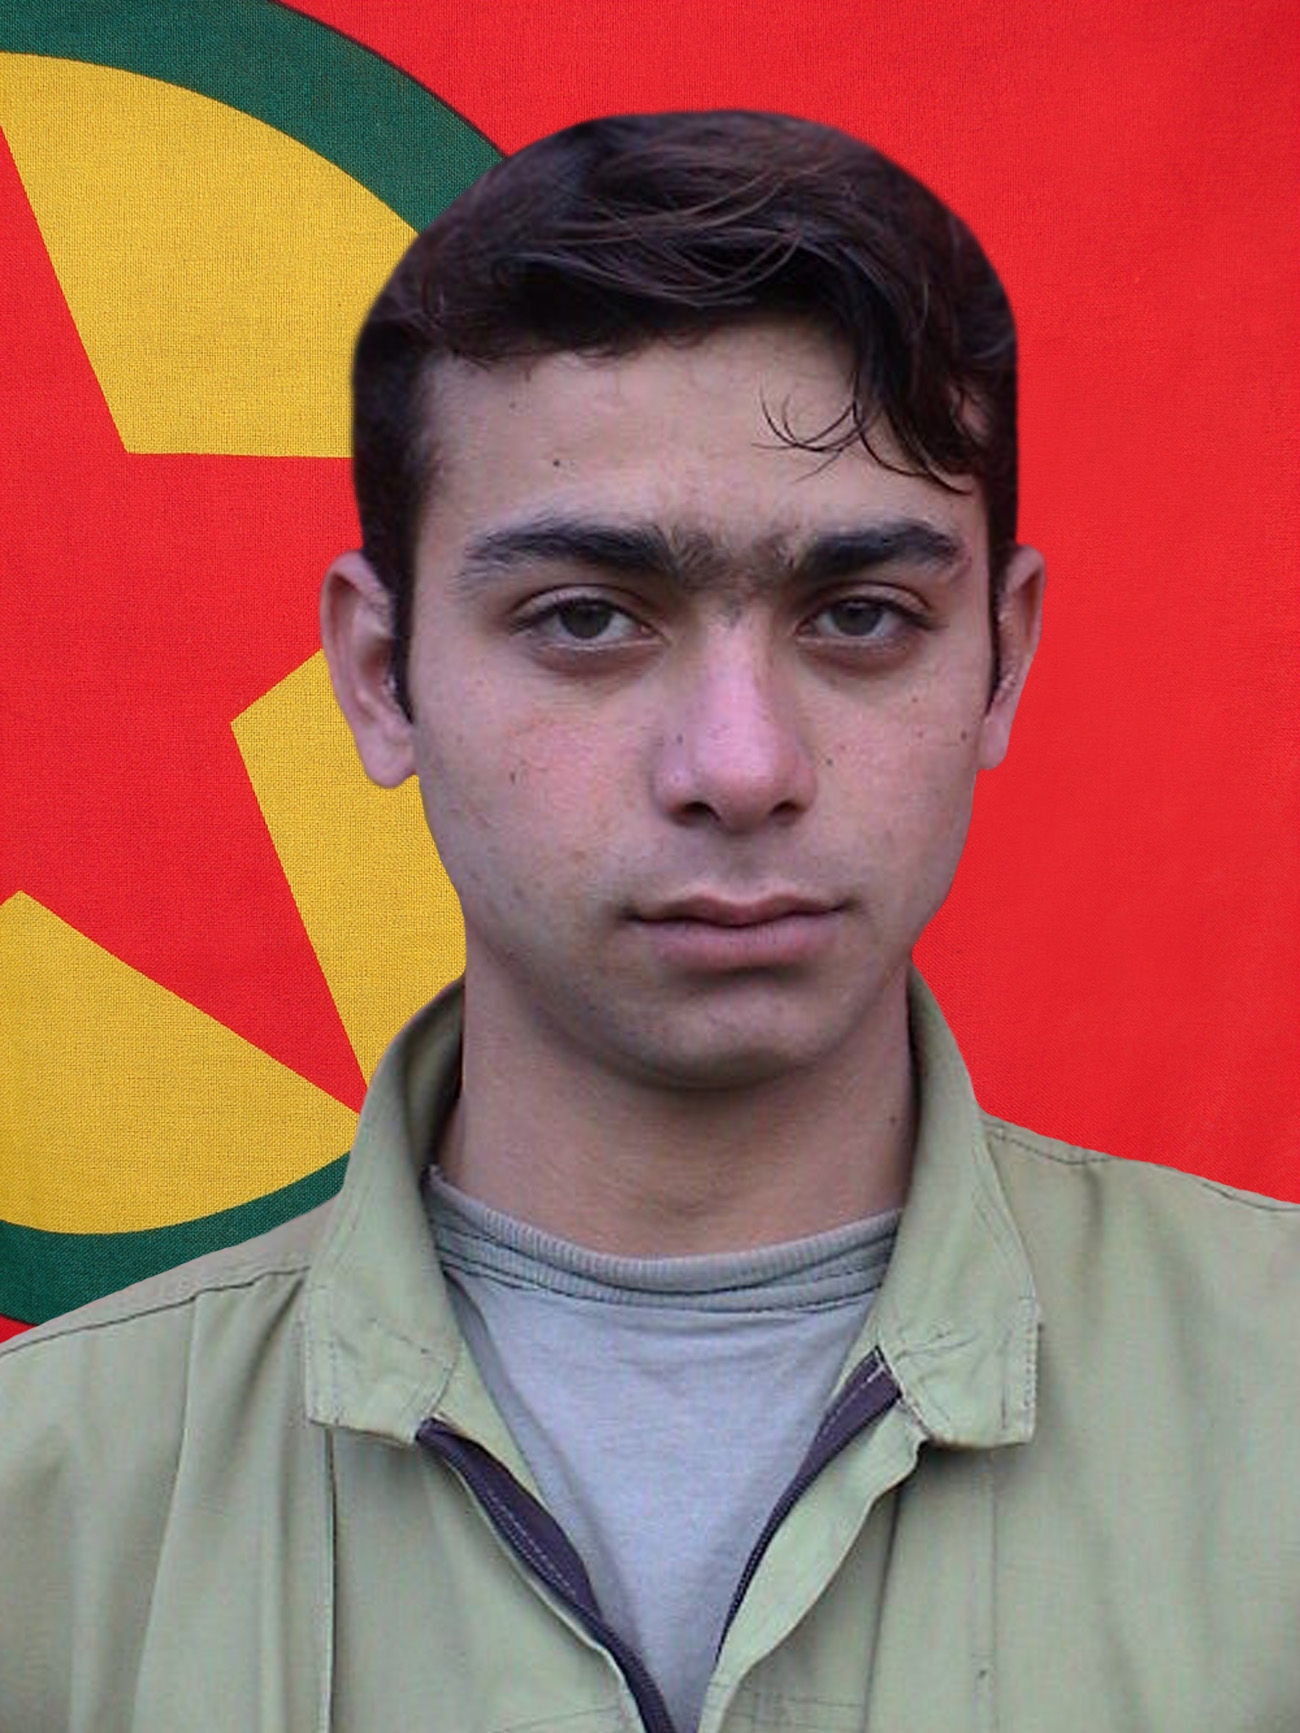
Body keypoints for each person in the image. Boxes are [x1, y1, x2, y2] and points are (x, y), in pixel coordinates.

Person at [1, 110, 1296, 1733]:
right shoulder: (41, 1507)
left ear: (1002, 657)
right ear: (381, 676)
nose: (741, 765)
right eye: (588, 618)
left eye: (861, 614)